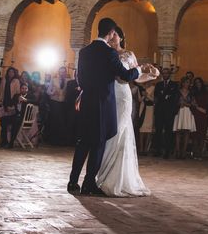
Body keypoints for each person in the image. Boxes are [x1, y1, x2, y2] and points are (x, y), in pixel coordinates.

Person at [68, 18, 152, 196]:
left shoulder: (84, 51)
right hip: (103, 104)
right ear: (111, 33)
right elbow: (126, 75)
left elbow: (80, 79)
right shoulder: (109, 53)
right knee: (98, 144)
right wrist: (140, 69)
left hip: (87, 102)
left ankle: (72, 182)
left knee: (83, 143)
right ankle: (88, 184)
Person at [95, 26, 157, 197]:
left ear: (121, 37)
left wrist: (151, 74)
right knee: (107, 132)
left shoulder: (128, 54)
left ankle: (116, 178)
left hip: (122, 96)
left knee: (120, 131)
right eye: (111, 33)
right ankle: (103, 174)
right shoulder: (106, 53)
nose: (113, 36)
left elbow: (135, 76)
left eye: (116, 34)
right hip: (107, 95)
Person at [153, 67, 179, 158]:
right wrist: (165, 96)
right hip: (159, 111)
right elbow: (157, 96)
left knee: (168, 132)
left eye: (166, 73)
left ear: (169, 74)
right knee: (158, 131)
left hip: (169, 111)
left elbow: (174, 97)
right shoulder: (158, 84)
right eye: (163, 73)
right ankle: (158, 150)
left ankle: (167, 151)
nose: (165, 75)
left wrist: (164, 96)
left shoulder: (174, 84)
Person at [1, 82, 31, 148]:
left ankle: (11, 143)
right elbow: (10, 103)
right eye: (22, 88)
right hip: (15, 115)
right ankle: (4, 141)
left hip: (24, 117)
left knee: (16, 121)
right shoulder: (16, 95)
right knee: (3, 120)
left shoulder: (30, 96)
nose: (24, 90)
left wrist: (26, 100)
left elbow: (36, 101)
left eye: (25, 88)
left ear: (27, 89)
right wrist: (11, 106)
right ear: (20, 89)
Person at [173, 77, 197, 159]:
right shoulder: (177, 92)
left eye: (188, 82)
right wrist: (179, 104)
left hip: (188, 112)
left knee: (187, 132)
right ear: (182, 83)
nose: (187, 84)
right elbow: (174, 102)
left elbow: (194, 104)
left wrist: (187, 104)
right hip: (179, 111)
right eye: (186, 82)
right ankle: (177, 151)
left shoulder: (191, 93)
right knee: (178, 131)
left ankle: (183, 152)